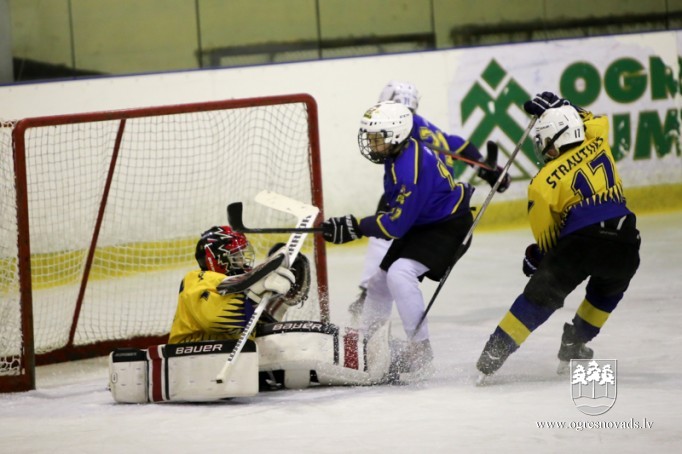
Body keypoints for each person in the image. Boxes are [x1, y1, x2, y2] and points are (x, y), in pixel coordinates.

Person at [475, 92, 641, 381]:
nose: (544, 149)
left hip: (581, 243)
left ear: (556, 141)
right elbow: (591, 118)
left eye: (545, 143)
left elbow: (549, 240)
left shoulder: (542, 182)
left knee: (540, 296)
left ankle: (494, 353)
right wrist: (563, 104)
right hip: (626, 239)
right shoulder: (597, 138)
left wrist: (539, 259)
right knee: (606, 292)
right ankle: (575, 343)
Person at [320, 100, 482, 381]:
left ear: (396, 135)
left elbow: (396, 225)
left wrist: (356, 227)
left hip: (448, 226)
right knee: (378, 282)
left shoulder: (409, 169)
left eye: (377, 138)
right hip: (426, 223)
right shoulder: (399, 154)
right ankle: (369, 343)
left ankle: (420, 350)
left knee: (400, 273)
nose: (371, 144)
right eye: (370, 137)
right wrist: (355, 226)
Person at [349, 80, 510, 322]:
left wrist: (483, 167)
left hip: (422, 197)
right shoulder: (423, 125)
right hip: (437, 196)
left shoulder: (399, 125)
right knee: (389, 234)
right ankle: (373, 289)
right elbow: (454, 143)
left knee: (385, 228)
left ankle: (367, 292)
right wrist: (483, 167)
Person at [169, 225, 299, 344]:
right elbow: (215, 319)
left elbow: (251, 329)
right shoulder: (195, 280)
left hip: (223, 356)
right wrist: (257, 292)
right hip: (185, 357)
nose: (243, 261)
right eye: (236, 256)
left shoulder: (236, 289)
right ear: (218, 260)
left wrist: (276, 301)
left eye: (242, 255)